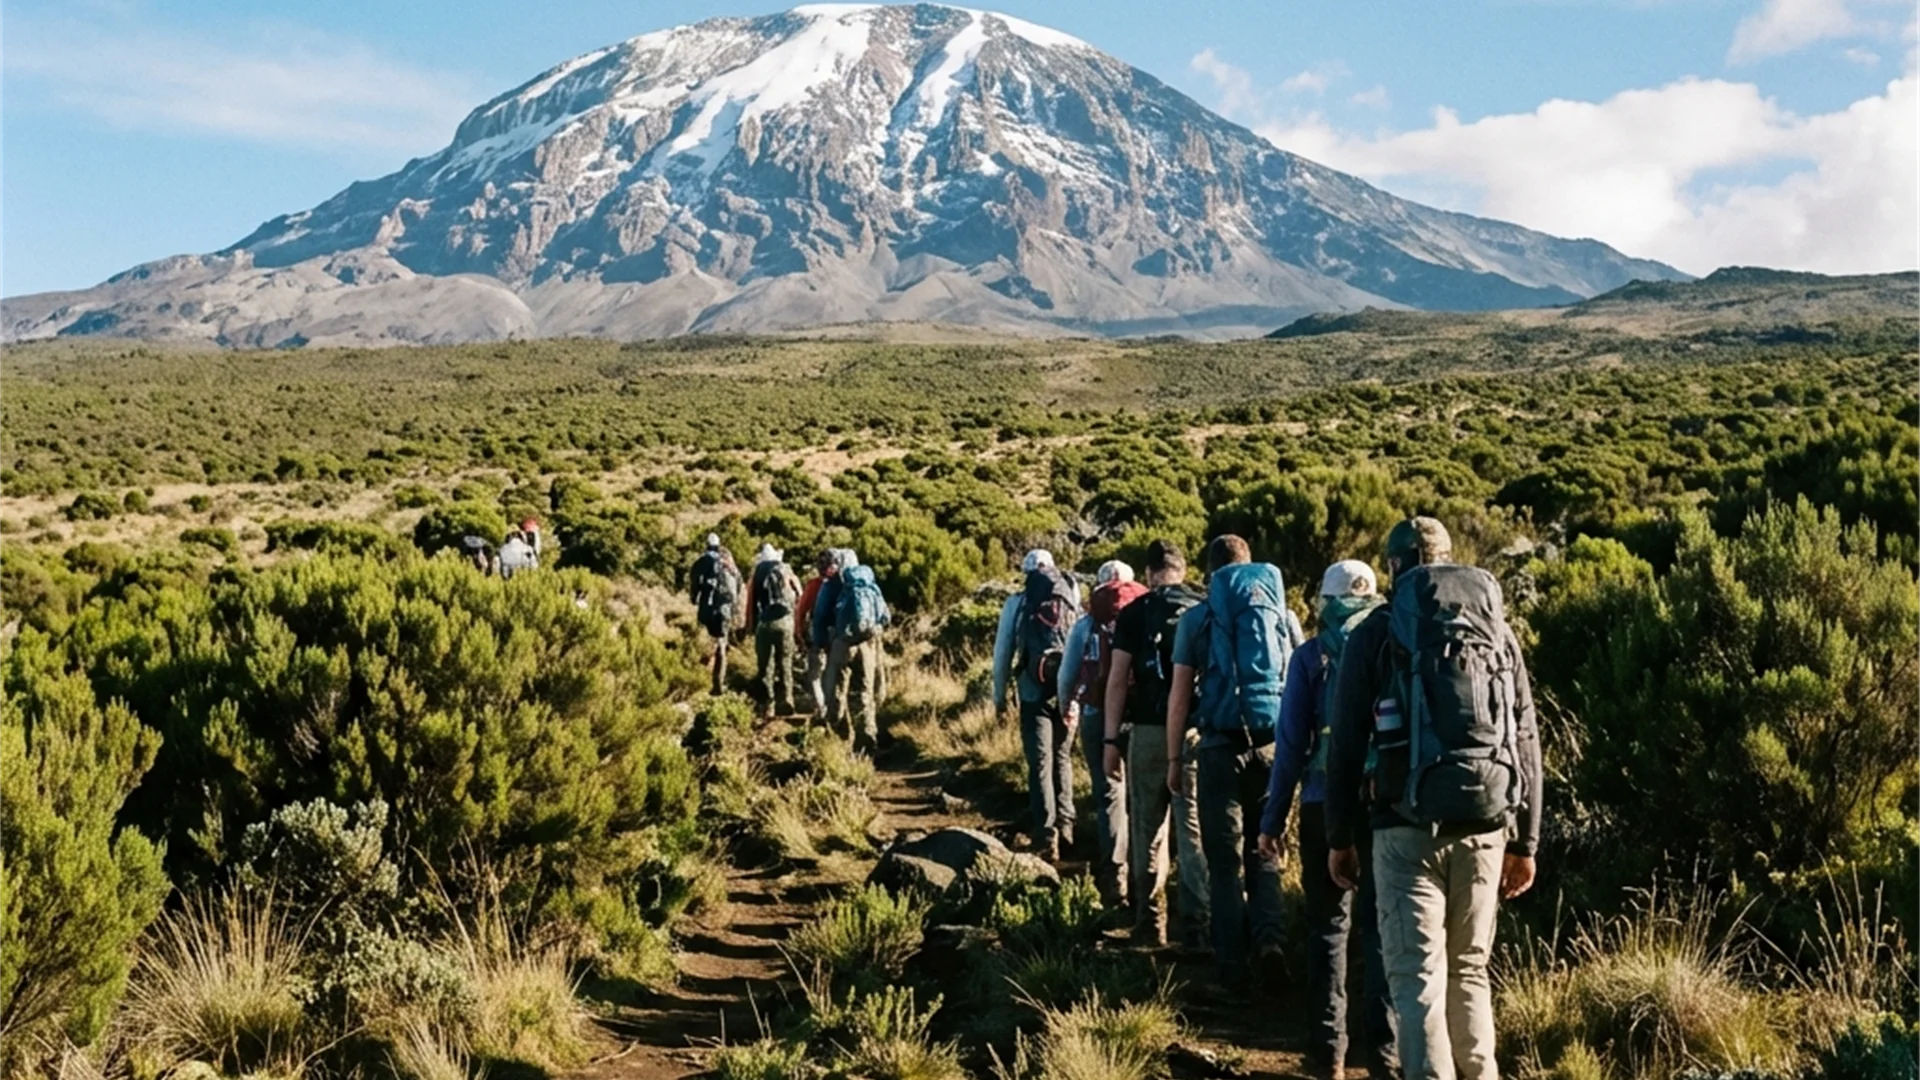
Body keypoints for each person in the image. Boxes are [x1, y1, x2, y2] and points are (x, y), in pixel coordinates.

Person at [1325, 518, 1544, 1080]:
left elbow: (1345, 741)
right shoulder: (1497, 631)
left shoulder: (1375, 634)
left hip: (1403, 827)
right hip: (1486, 823)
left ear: (1394, 567)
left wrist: (1339, 836)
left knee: (1417, 978)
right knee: (1469, 970)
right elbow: (1525, 737)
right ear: (1448, 557)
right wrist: (1526, 841)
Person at [1259, 560, 1396, 1080]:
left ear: (1324, 600)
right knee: (1382, 932)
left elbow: (1291, 744)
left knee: (1327, 930)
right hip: (1383, 804)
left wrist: (1273, 819)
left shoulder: (1311, 656)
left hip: (1322, 802)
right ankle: (1385, 1056)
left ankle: (1329, 1053)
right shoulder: (1392, 643)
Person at [1167, 534, 1290, 995]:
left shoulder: (1196, 618)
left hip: (1219, 747)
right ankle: (1271, 942)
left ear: (1210, 574)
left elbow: (1180, 696)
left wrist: (1175, 758)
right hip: (1272, 744)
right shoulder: (1280, 614)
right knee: (1265, 848)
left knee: (1223, 862)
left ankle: (1232, 967)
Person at [1104, 539, 1210, 949]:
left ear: (1149, 573)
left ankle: (1150, 923)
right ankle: (1198, 927)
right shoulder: (1204, 608)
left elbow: (1117, 680)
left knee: (1147, 828)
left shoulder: (1135, 612)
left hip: (1149, 730)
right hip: (1196, 732)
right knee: (1193, 829)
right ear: (1183, 570)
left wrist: (1111, 739)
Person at [1059, 559, 1144, 909]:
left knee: (1108, 792)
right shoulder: (1144, 614)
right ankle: (1145, 876)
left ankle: (1114, 873)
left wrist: (1067, 706)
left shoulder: (1087, 623)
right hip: (1140, 717)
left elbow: (1067, 673)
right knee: (1142, 796)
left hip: (1096, 714)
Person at [992, 549, 1082, 862]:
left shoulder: (1017, 603)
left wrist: (999, 699)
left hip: (1033, 691)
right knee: (1063, 757)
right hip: (1068, 690)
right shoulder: (1070, 594)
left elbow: (1002, 653)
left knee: (1040, 762)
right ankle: (1067, 826)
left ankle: (1046, 834)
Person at [825, 549, 890, 753]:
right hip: (868, 644)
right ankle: (867, 736)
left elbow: (825, 614)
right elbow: (886, 617)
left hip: (844, 642)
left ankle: (837, 730)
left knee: (837, 686)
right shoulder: (871, 585)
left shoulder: (840, 584)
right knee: (864, 690)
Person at [747, 543, 803, 719]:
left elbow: (750, 603)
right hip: (786, 621)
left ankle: (768, 705)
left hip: (765, 623)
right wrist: (797, 621)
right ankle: (787, 699)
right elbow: (800, 594)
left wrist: (750, 626)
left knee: (766, 666)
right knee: (785, 661)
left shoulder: (757, 573)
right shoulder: (786, 570)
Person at [688, 534, 743, 697]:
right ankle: (718, 682)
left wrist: (694, 597)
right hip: (725, 608)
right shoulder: (728, 561)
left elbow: (694, 579)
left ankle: (698, 679)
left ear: (706, 545)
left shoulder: (703, 560)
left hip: (708, 607)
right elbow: (739, 582)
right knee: (721, 643)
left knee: (704, 640)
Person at [795, 550, 835, 719]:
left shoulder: (813, 585)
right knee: (833, 673)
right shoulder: (841, 585)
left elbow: (801, 611)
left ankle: (821, 710)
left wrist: (799, 633)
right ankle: (834, 711)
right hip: (838, 636)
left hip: (818, 635)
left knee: (814, 675)